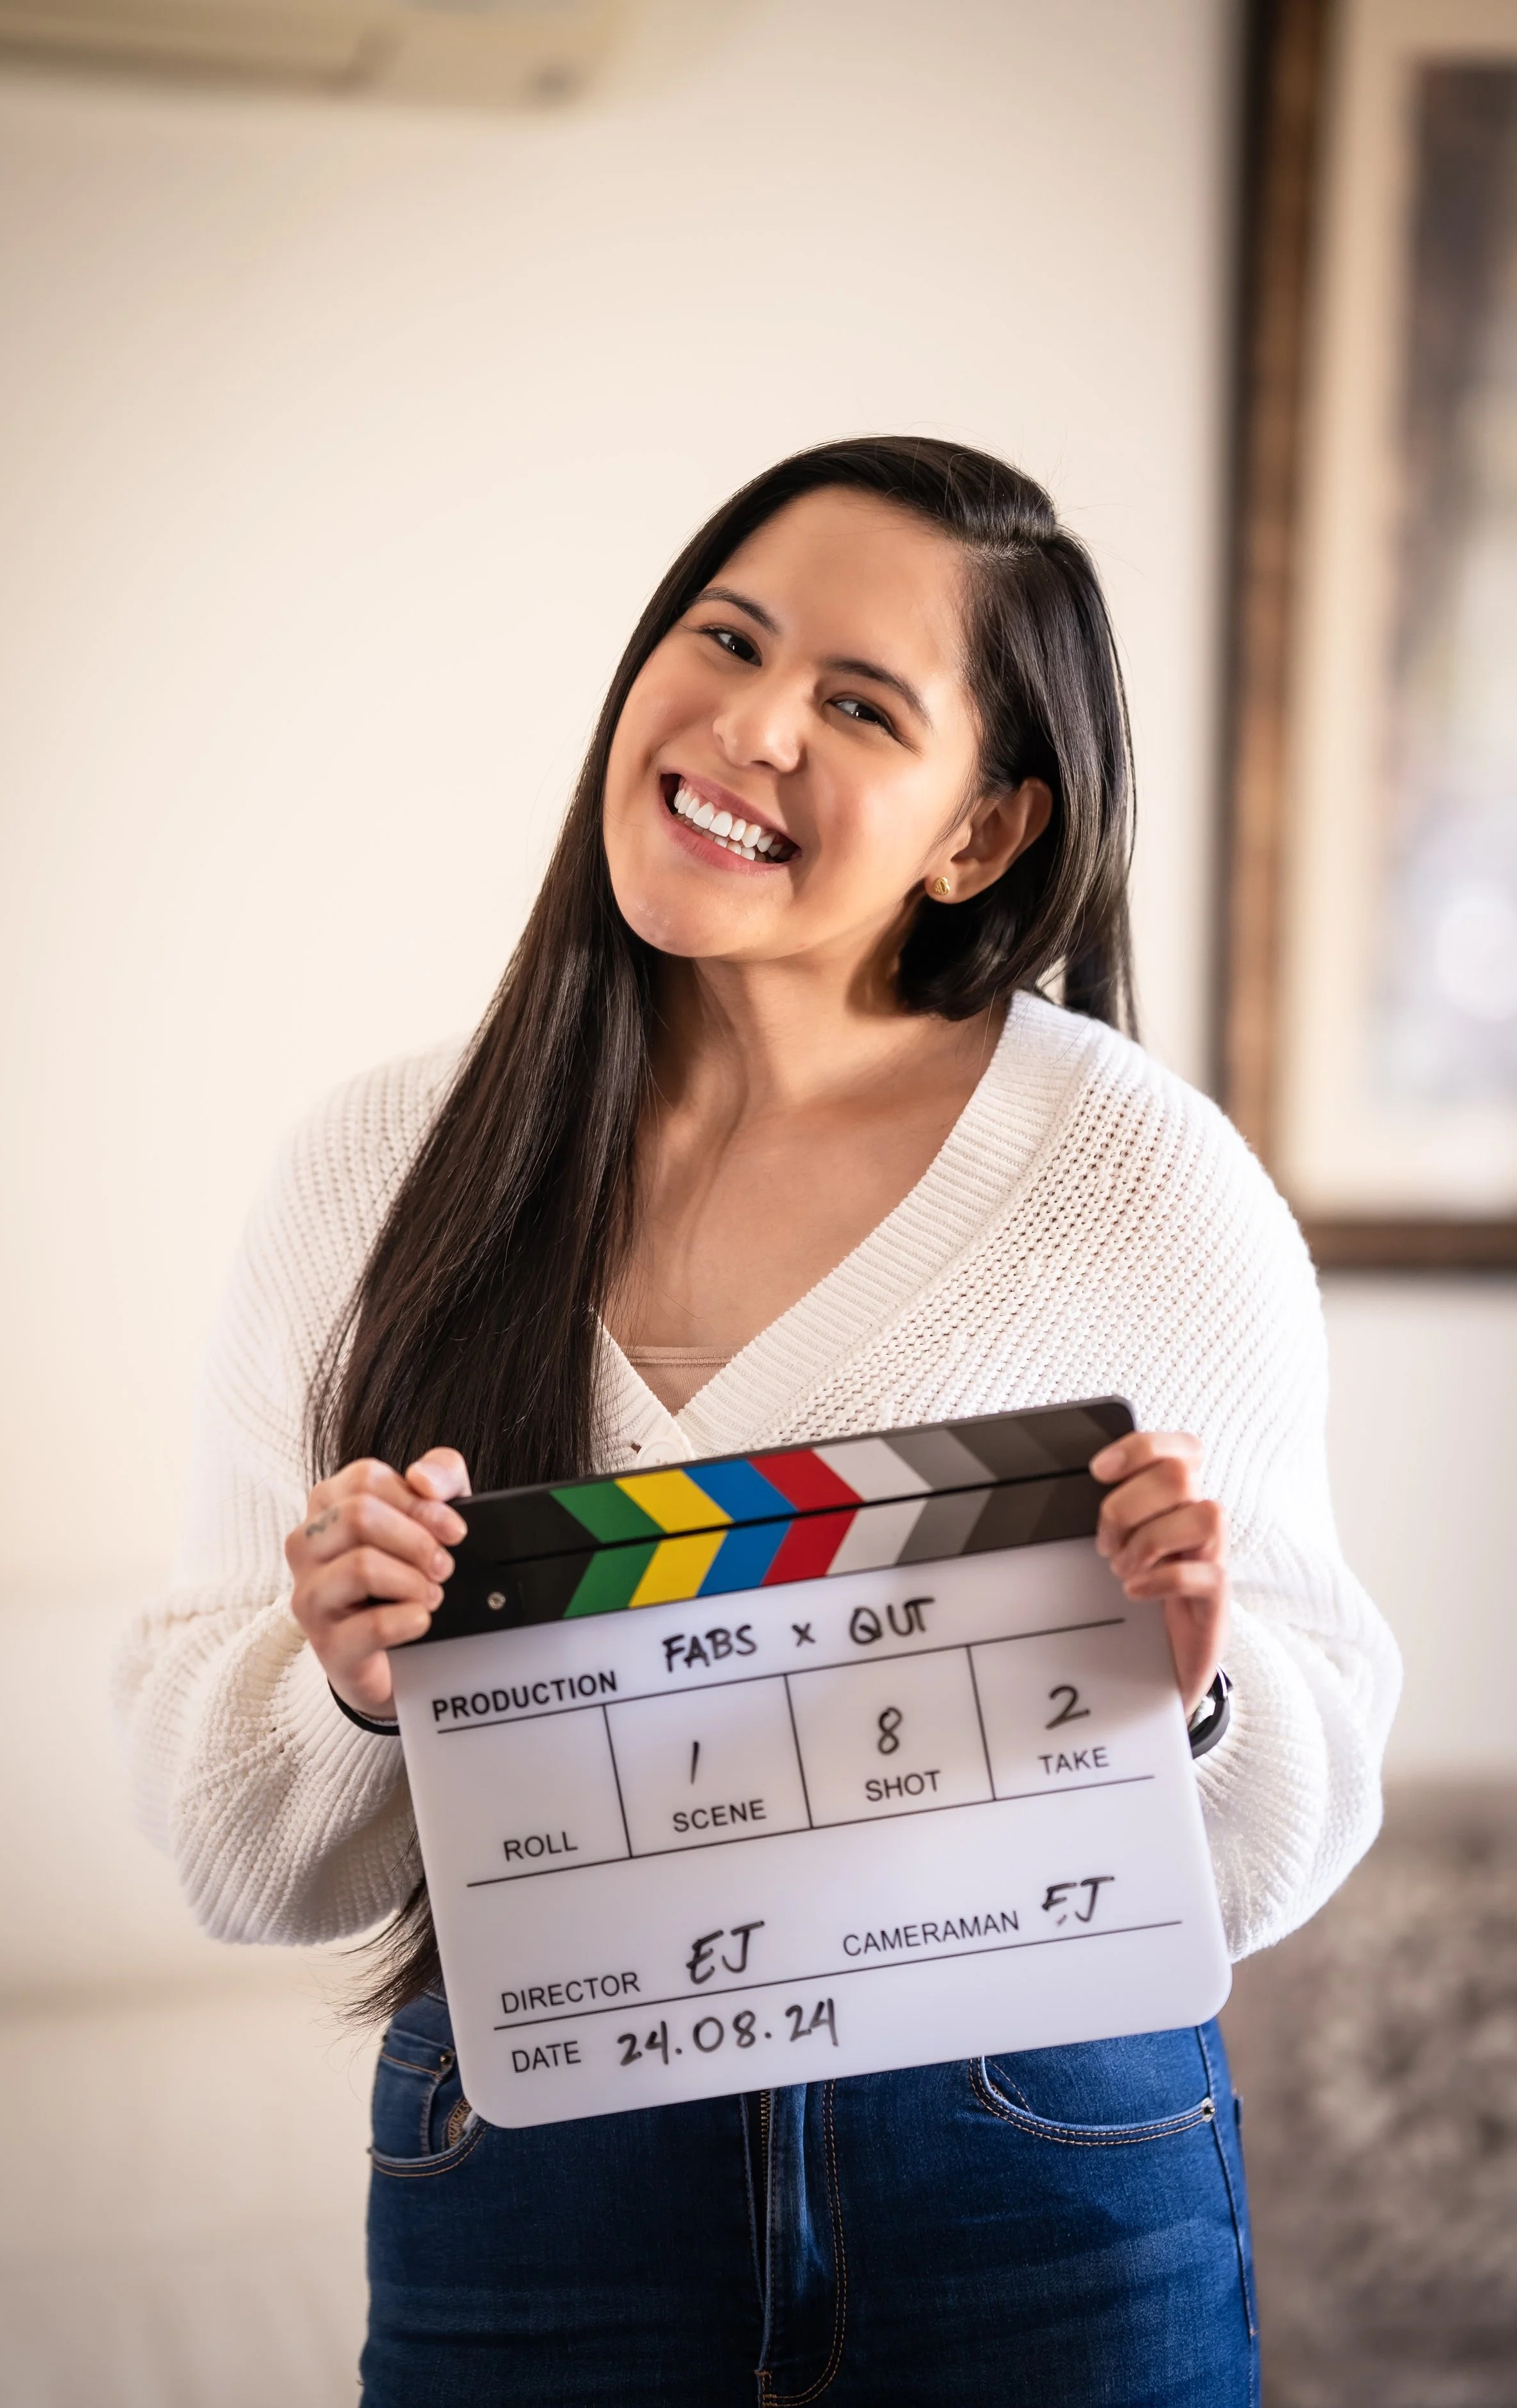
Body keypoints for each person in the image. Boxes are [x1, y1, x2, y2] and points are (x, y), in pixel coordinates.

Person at [119, 437, 1400, 2406]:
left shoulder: (1144, 1182)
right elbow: (236, 1857)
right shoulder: (377, 1169)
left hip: (1036, 2167)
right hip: (533, 2176)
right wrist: (348, 1679)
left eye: (860, 703)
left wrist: (1201, 1688)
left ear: (979, 831)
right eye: (726, 637)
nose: (749, 723)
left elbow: (1296, 1813)